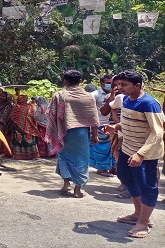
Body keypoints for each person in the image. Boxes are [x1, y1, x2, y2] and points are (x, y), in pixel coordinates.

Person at [104, 71, 164, 238]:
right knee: (126, 177)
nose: (119, 88)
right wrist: (115, 128)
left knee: (147, 186)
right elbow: (127, 121)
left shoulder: (149, 103)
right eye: (118, 85)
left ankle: (144, 223)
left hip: (146, 154)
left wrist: (141, 154)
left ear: (137, 85)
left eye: (124, 85)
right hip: (127, 149)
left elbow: (157, 133)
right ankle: (138, 214)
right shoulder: (126, 100)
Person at [46, 69, 99, 198]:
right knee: (81, 160)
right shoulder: (88, 97)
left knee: (63, 157)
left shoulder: (59, 95)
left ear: (66, 81)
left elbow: (51, 113)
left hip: (64, 131)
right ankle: (78, 189)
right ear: (80, 81)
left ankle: (66, 185)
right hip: (81, 133)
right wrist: (95, 135)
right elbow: (93, 117)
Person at [90, 75, 115, 176]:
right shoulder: (94, 95)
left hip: (113, 124)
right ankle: (102, 168)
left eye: (111, 82)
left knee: (113, 147)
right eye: (108, 83)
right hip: (100, 124)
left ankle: (113, 167)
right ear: (101, 84)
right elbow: (91, 112)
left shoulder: (119, 94)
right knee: (102, 148)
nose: (110, 85)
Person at [10, 95, 40, 160]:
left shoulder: (16, 107)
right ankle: (31, 155)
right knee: (27, 140)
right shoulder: (29, 107)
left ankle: (19, 155)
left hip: (18, 128)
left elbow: (12, 117)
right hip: (28, 128)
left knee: (20, 140)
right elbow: (34, 117)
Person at [0, 87, 14, 157]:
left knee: (1, 138)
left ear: (7, 98)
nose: (1, 97)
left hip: (4, 125)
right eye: (1, 96)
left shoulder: (9, 106)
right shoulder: (0, 105)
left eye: (3, 96)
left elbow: (5, 116)